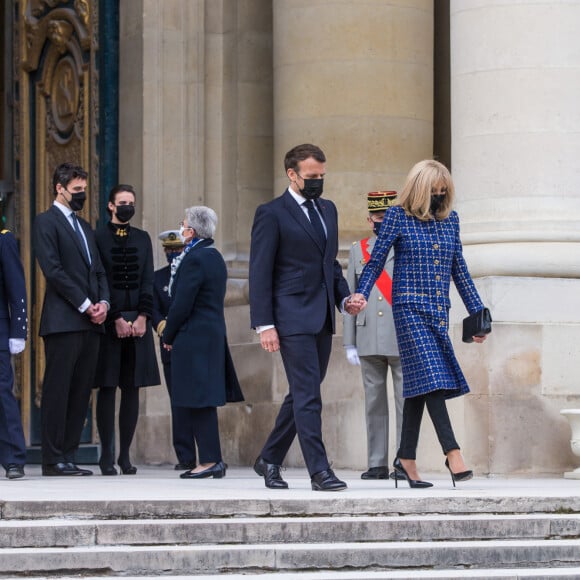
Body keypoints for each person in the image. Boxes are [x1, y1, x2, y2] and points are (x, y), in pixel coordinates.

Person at [352, 159, 488, 488]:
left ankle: (406, 459)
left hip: (438, 311)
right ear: (419, 191)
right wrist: (361, 295)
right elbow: (375, 261)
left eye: (444, 192)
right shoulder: (398, 217)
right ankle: (453, 453)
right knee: (434, 378)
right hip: (409, 308)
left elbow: (460, 271)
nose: (439, 197)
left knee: (418, 386)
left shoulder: (450, 221)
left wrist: (479, 315)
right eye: (434, 192)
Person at [249, 143, 362, 492]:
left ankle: (269, 458)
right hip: (290, 316)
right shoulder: (272, 213)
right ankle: (319, 471)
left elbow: (330, 263)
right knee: (309, 395)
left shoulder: (328, 210)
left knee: (302, 393)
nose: (317, 182)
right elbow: (260, 271)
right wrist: (264, 323)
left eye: (322, 176)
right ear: (292, 174)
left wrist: (345, 299)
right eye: (311, 177)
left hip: (322, 316)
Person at [33, 162, 110, 476]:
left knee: (80, 391)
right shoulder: (45, 222)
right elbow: (53, 271)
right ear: (59, 189)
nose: (81, 196)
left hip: (92, 323)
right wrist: (85, 304)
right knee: (58, 390)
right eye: (77, 191)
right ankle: (52, 459)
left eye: (84, 191)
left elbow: (99, 270)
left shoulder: (86, 227)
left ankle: (68, 454)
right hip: (64, 321)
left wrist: (103, 302)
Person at [162, 206, 243, 479]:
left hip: (194, 337)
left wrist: (168, 334)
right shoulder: (213, 256)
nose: (181, 229)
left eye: (183, 225)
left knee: (199, 401)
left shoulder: (195, 259)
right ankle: (211, 459)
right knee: (201, 400)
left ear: (192, 231)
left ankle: (210, 460)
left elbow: (182, 304)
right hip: (208, 336)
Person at [93, 184, 160, 476]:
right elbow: (100, 279)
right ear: (111, 206)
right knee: (107, 388)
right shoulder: (97, 237)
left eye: (131, 202)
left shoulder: (143, 239)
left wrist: (144, 316)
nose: (127, 207)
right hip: (110, 320)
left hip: (139, 323)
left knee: (131, 389)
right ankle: (106, 455)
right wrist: (116, 317)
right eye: (122, 202)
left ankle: (125, 455)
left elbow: (148, 280)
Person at [343, 191, 404, 481]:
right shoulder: (358, 250)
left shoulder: (406, 245)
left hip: (400, 334)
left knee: (406, 402)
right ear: (370, 219)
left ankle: (404, 460)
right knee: (374, 403)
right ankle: (377, 462)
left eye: (387, 216)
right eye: (378, 217)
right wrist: (349, 341)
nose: (382, 221)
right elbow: (349, 295)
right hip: (368, 337)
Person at [152, 229, 197, 471]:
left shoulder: (192, 273)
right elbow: (154, 310)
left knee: (198, 400)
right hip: (170, 345)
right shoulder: (157, 278)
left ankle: (206, 453)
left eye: (177, 250)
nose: (172, 254)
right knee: (178, 402)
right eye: (168, 250)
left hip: (192, 342)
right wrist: (165, 330)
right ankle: (185, 456)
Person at [0, 228, 28, 479]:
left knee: (2, 396)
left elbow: (15, 285)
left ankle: (13, 458)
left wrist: (18, 330)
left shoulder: (3, 238)